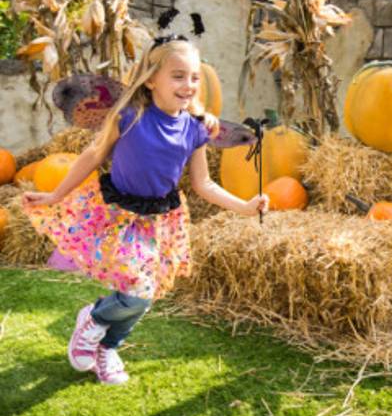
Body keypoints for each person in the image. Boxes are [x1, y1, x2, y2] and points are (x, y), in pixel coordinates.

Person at [22, 36, 269, 385]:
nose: (189, 85)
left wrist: (244, 207)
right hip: (115, 213)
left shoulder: (195, 129)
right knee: (137, 291)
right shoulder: (130, 115)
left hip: (158, 221)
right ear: (152, 79)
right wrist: (55, 195)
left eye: (194, 77)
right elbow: (92, 156)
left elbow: (203, 184)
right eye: (178, 76)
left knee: (143, 296)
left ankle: (107, 347)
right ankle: (93, 320)